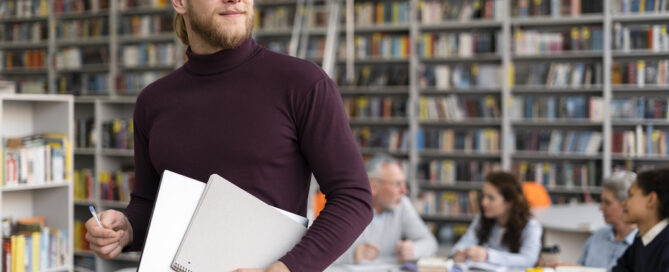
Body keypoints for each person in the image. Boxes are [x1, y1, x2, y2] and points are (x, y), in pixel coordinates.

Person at [83, 0, 374, 271]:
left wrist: (286, 269)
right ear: (180, 2)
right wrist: (126, 228)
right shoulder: (152, 101)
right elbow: (148, 203)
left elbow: (353, 198)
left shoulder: (304, 84)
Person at [333, 155, 438, 265]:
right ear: (373, 187)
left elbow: (431, 243)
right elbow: (322, 251)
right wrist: (354, 254)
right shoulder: (347, 207)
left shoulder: (402, 204)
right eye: (397, 184)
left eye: (404, 183)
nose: (404, 190)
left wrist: (414, 250)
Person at [543, 171, 638, 270]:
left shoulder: (641, 245)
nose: (601, 208)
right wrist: (565, 268)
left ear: (626, 204)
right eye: (602, 202)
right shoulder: (597, 236)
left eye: (607, 203)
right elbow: (582, 269)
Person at [452, 172, 542, 268]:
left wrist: (488, 256)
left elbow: (528, 260)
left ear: (509, 202)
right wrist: (459, 252)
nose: (483, 202)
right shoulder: (482, 219)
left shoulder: (531, 226)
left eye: (491, 198)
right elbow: (465, 242)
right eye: (484, 196)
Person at [612, 168, 669, 272]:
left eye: (630, 195)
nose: (623, 203)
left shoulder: (665, 244)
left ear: (651, 200)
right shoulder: (642, 239)